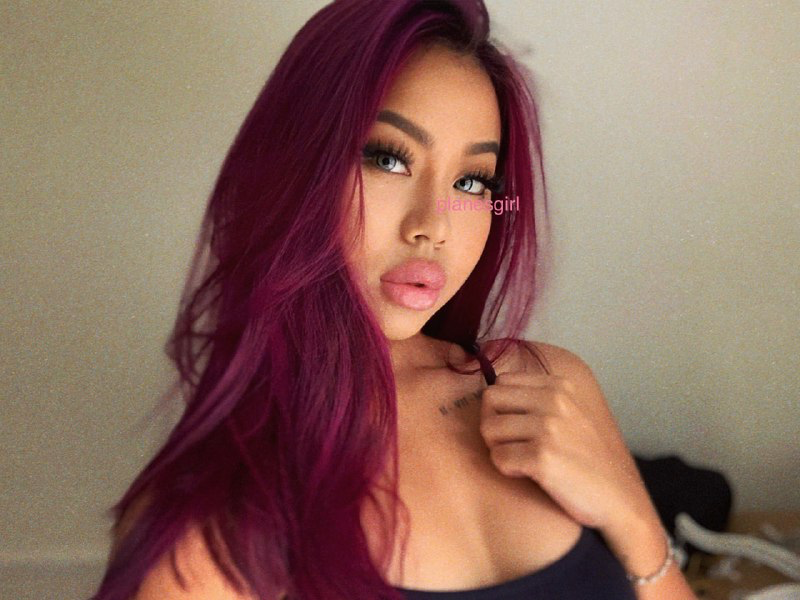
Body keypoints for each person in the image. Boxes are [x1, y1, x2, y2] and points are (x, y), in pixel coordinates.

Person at [90, 1, 698, 598]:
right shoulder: (213, 529)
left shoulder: (547, 383)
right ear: (297, 166)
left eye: (471, 181)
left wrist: (635, 522)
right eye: (388, 159)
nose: (433, 225)